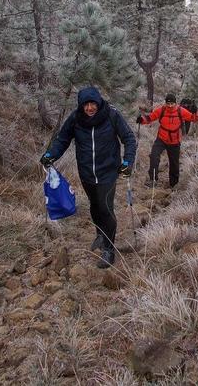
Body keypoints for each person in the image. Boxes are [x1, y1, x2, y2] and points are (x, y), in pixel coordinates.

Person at [40, 86, 136, 269]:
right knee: (94, 206)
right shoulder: (76, 118)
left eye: (93, 103)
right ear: (81, 105)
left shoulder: (111, 115)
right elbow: (63, 139)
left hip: (108, 171)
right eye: (86, 104)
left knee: (106, 208)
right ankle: (100, 233)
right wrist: (51, 155)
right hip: (86, 172)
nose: (90, 108)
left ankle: (108, 249)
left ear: (99, 103)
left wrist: (128, 161)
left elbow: (129, 138)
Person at [137, 93, 198, 188]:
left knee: (174, 163)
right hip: (161, 138)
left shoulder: (180, 111)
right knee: (154, 156)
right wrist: (141, 120)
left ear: (175, 103)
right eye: (168, 104)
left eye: (172, 104)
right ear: (165, 103)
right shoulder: (161, 110)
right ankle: (153, 179)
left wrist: (195, 112)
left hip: (174, 141)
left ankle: (173, 185)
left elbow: (194, 119)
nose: (170, 106)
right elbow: (150, 118)